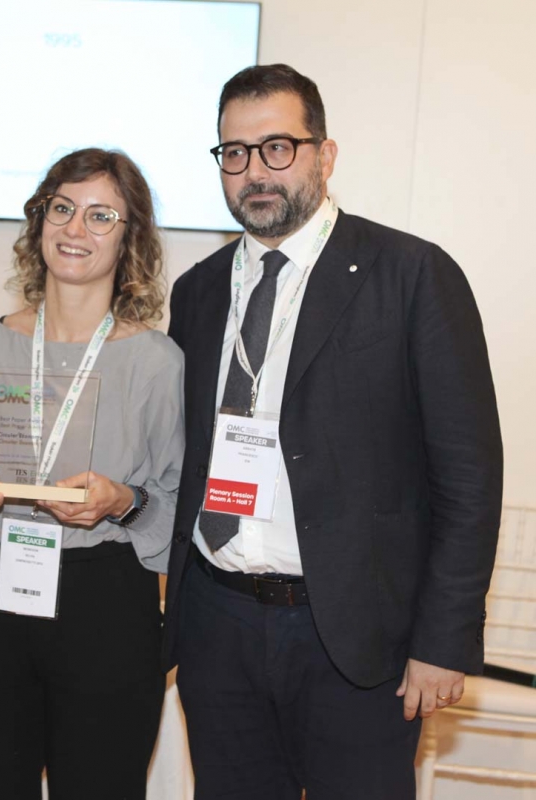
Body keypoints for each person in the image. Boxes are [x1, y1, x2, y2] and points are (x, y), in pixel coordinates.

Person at [162, 64, 503, 800]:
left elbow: (468, 479)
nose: (255, 171)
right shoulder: (196, 292)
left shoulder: (411, 275)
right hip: (218, 626)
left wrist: (443, 640)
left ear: (325, 154)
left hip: (354, 639)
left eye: (278, 147)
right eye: (234, 152)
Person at [0, 147, 184, 800]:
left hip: (106, 607)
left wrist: (121, 501)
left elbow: (178, 510)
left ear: (129, 238)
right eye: (61, 208)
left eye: (100, 216)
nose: (75, 228)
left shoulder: (157, 362)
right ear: (39, 221)